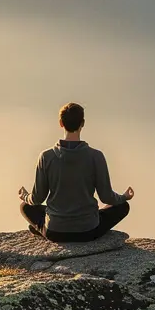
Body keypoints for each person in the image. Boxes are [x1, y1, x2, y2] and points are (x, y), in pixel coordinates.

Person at [18, 102, 134, 242]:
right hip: (88, 231)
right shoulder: (96, 156)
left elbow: (37, 199)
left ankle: (40, 227)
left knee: (25, 206)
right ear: (82, 123)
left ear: (61, 123)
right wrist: (124, 197)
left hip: (55, 231)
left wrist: (25, 196)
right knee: (122, 206)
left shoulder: (46, 157)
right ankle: (42, 227)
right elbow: (106, 197)